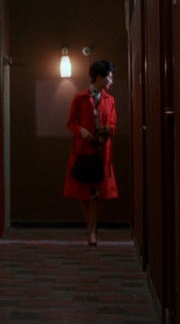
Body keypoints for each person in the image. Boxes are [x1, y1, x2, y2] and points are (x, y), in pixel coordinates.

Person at [64, 60, 118, 246]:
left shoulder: (110, 100)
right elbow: (71, 123)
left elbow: (113, 124)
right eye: (109, 77)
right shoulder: (80, 98)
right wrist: (82, 131)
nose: (111, 81)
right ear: (99, 77)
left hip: (101, 151)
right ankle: (91, 226)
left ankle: (91, 230)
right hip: (83, 150)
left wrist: (106, 130)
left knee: (97, 192)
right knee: (82, 189)